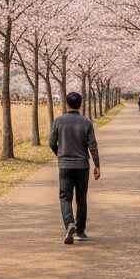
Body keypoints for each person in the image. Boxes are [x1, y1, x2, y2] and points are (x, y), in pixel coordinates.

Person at [48, 91, 100, 244]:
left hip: (65, 166)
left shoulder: (59, 121)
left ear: (66, 104)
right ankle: (81, 231)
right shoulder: (86, 122)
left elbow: (51, 142)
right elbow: (93, 145)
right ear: (80, 104)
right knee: (81, 198)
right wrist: (97, 165)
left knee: (65, 197)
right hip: (82, 165)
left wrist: (60, 155)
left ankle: (69, 224)